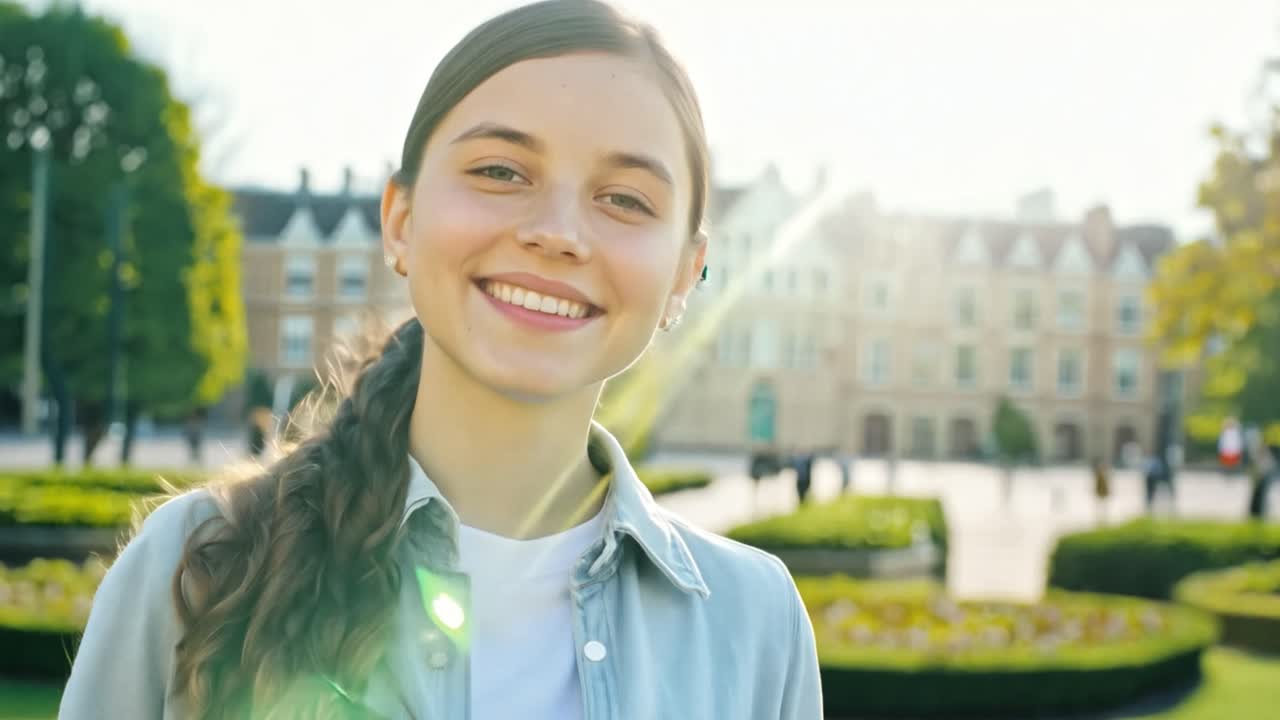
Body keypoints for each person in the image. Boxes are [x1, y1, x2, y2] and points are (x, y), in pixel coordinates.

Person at [59, 3, 822, 719]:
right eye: (501, 171)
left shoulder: (757, 623)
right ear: (400, 220)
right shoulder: (195, 566)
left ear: (685, 275)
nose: (557, 232)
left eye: (624, 199)